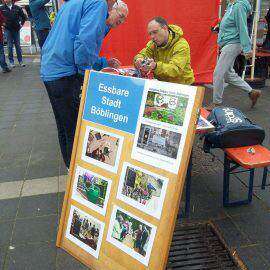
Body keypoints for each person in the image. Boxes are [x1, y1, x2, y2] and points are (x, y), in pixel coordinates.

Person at [41, 0, 128, 168]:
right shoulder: (98, 3)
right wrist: (85, 77)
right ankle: (77, 171)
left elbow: (76, 41)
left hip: (51, 69)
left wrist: (102, 63)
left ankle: (69, 167)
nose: (122, 21)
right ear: (114, 4)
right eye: (121, 16)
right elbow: (84, 43)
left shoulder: (75, 3)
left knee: (64, 125)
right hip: (65, 73)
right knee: (75, 127)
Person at [206, 0, 261, 111]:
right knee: (228, 74)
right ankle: (252, 92)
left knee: (218, 73)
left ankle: (216, 104)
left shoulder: (239, 6)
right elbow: (229, 23)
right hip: (228, 42)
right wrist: (219, 27)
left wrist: (247, 49)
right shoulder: (232, 5)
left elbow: (242, 27)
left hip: (233, 43)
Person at [134, 16, 194, 85]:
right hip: (162, 86)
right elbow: (143, 54)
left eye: (155, 32)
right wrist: (138, 59)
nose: (152, 37)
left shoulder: (181, 45)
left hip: (183, 86)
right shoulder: (153, 44)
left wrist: (155, 66)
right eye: (150, 34)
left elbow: (174, 70)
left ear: (165, 28)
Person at [0, 0, 27, 67]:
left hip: (16, 29)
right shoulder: (2, 8)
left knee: (18, 46)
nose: (5, 0)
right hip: (7, 29)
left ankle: (20, 61)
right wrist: (3, 25)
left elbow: (24, 17)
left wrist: (21, 25)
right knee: (9, 46)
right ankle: (11, 62)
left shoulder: (17, 8)